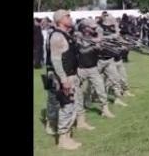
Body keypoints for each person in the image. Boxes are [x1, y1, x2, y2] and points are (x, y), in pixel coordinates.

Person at [45, 10, 82, 150]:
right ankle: (63, 139)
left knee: (70, 106)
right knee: (67, 106)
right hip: (64, 77)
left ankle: (66, 136)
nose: (70, 18)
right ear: (60, 20)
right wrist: (64, 80)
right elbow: (56, 60)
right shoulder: (57, 37)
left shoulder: (67, 35)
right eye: (67, 16)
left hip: (70, 75)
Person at [74, 19, 118, 124]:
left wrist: (100, 46)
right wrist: (94, 44)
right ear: (85, 28)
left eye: (94, 27)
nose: (94, 29)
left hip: (93, 67)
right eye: (92, 27)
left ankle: (105, 109)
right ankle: (79, 112)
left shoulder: (95, 35)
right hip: (80, 68)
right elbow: (81, 50)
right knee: (76, 91)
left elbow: (99, 48)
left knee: (100, 87)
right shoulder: (78, 35)